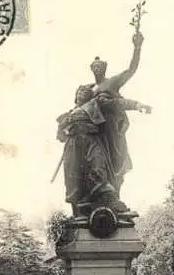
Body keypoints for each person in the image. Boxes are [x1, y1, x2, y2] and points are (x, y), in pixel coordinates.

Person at [57, 84, 151, 216]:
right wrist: (67, 129)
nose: (81, 93)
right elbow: (60, 136)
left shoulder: (96, 103)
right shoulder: (67, 115)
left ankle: (110, 201)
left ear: (89, 95)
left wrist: (136, 105)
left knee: (99, 168)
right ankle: (78, 212)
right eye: (80, 91)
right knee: (74, 178)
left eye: (85, 91)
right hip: (73, 146)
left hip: (91, 141)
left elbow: (117, 103)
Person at [88, 32, 146, 197]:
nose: (97, 68)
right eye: (94, 67)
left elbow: (131, 69)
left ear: (104, 68)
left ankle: (114, 195)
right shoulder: (89, 89)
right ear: (91, 69)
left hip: (111, 129)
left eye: (100, 66)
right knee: (94, 163)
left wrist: (137, 47)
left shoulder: (111, 82)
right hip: (94, 132)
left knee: (115, 161)